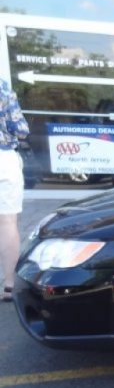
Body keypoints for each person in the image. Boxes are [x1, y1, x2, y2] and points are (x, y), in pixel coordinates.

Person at [0, 78, 29, 302]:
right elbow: (20, 129)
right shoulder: (3, 88)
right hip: (4, 159)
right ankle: (9, 285)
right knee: (7, 222)